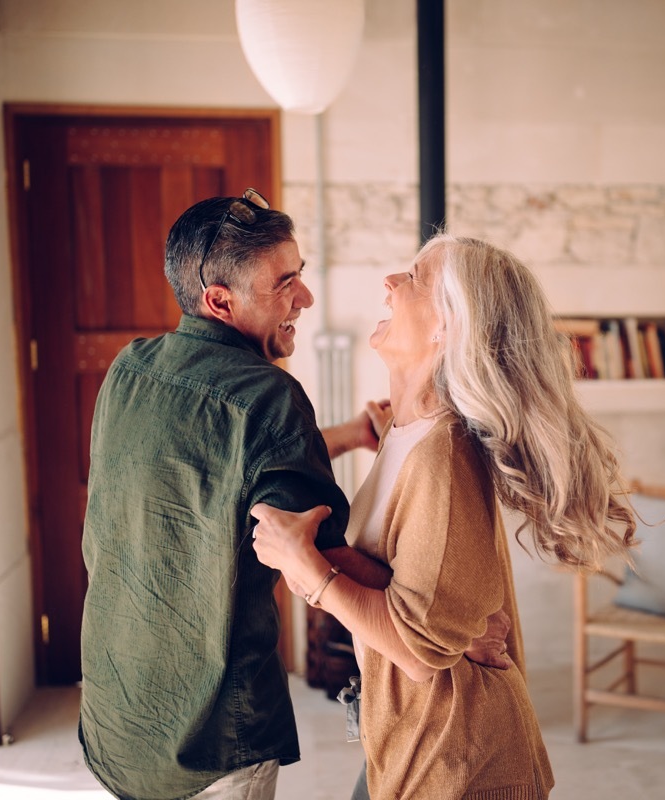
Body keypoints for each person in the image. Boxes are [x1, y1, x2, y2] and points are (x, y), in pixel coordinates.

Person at [250, 234, 638, 800]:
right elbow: (421, 599)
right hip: (418, 742)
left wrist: (308, 572)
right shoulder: (408, 435)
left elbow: (417, 648)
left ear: (449, 327)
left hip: (459, 760)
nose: (389, 284)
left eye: (414, 278)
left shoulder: (442, 454)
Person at [78, 189, 396, 800]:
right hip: (211, 736)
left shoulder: (130, 369)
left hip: (116, 716)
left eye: (299, 274)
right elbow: (317, 561)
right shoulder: (271, 398)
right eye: (284, 283)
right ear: (220, 301)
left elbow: (222, 464)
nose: (304, 297)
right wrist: (441, 616)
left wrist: (350, 436)